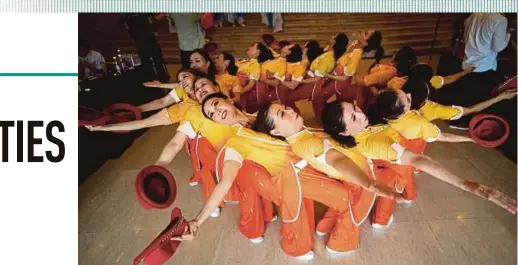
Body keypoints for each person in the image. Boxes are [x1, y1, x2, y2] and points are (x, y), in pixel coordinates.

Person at [175, 92, 366, 259]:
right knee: (345, 198)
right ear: (215, 121)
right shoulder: (234, 143)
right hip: (286, 176)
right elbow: (225, 183)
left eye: (216, 104)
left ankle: (325, 227)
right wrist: (198, 221)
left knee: (352, 187)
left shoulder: (261, 114)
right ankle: (310, 245)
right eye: (211, 114)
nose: (216, 112)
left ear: (228, 100)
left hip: (305, 161)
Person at [321, 100, 517, 217]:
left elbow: (435, 137)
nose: (360, 113)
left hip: (400, 161)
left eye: (355, 108)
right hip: (394, 169)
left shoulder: (367, 127)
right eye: (354, 118)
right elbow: (418, 160)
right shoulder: (373, 143)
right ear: (345, 132)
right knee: (394, 193)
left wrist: (473, 138)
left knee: (405, 187)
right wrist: (467, 185)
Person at [431, 13, 512, 130]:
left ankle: (457, 118)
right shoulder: (500, 20)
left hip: (469, 60)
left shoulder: (475, 14)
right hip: (485, 64)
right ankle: (466, 121)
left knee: (467, 92)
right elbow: (497, 47)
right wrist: (508, 35)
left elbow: (465, 36)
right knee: (478, 96)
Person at [285, 34, 347, 123]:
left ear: (335, 43)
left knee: (286, 97)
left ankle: (296, 119)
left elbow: (316, 79)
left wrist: (300, 80)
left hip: (312, 85)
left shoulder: (327, 58)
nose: (331, 36)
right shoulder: (328, 52)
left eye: (334, 37)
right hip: (310, 79)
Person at [325, 30, 384, 102]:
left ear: (366, 43)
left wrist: (329, 75)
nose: (362, 32)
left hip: (341, 84)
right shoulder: (355, 43)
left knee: (320, 97)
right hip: (338, 80)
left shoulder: (356, 55)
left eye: (365, 33)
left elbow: (346, 77)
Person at [124, 13, 170, 82]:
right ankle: (161, 79)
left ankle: (156, 80)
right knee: (156, 60)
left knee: (149, 61)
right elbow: (156, 18)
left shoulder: (128, 15)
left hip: (141, 40)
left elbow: (128, 28)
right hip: (147, 39)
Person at [236, 42, 274, 113]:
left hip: (241, 94)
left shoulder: (255, 65)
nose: (249, 47)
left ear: (257, 53)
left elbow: (251, 84)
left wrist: (238, 94)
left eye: (252, 46)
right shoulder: (244, 62)